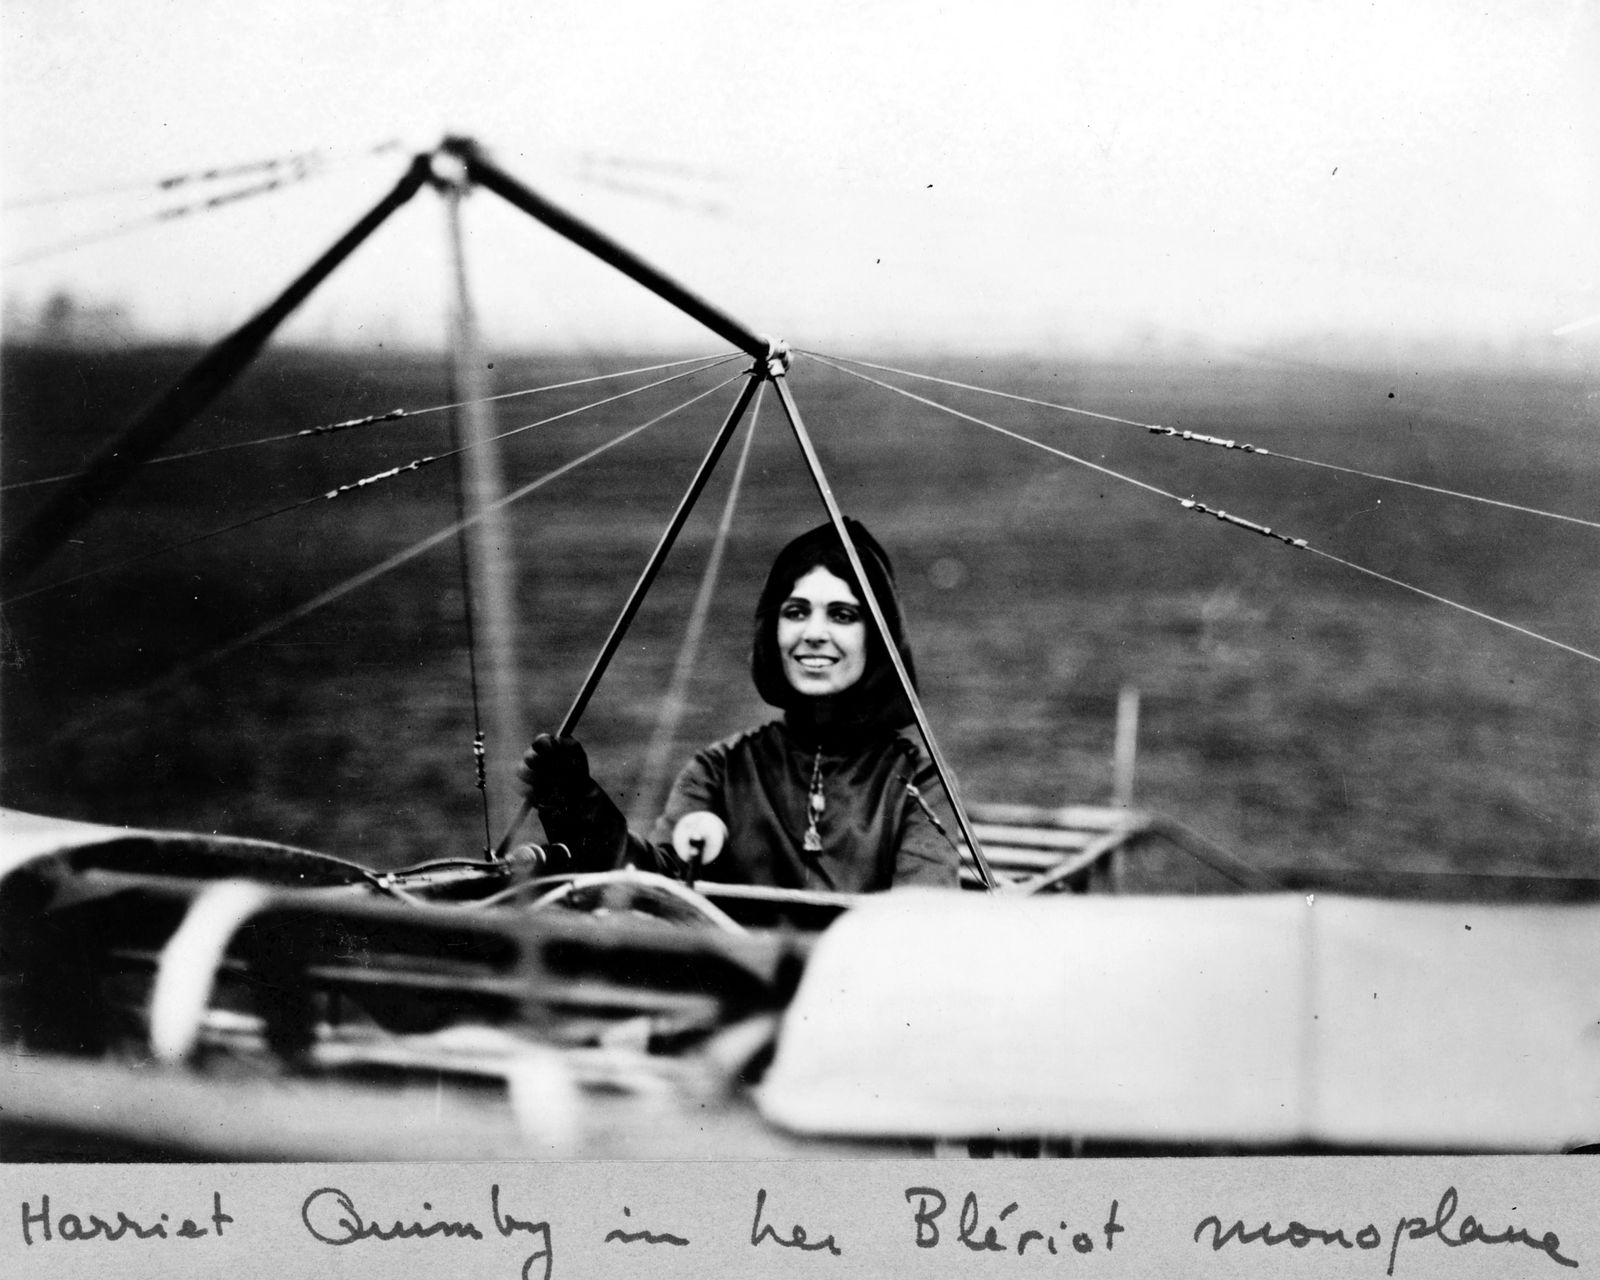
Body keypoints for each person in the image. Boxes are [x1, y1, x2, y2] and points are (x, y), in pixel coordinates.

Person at [518, 518, 962, 891]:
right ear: (773, 628)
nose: (813, 633)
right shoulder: (721, 769)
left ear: (879, 638)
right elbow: (653, 888)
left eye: (842, 615)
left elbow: (921, 922)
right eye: (795, 611)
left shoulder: (918, 777)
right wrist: (577, 804)